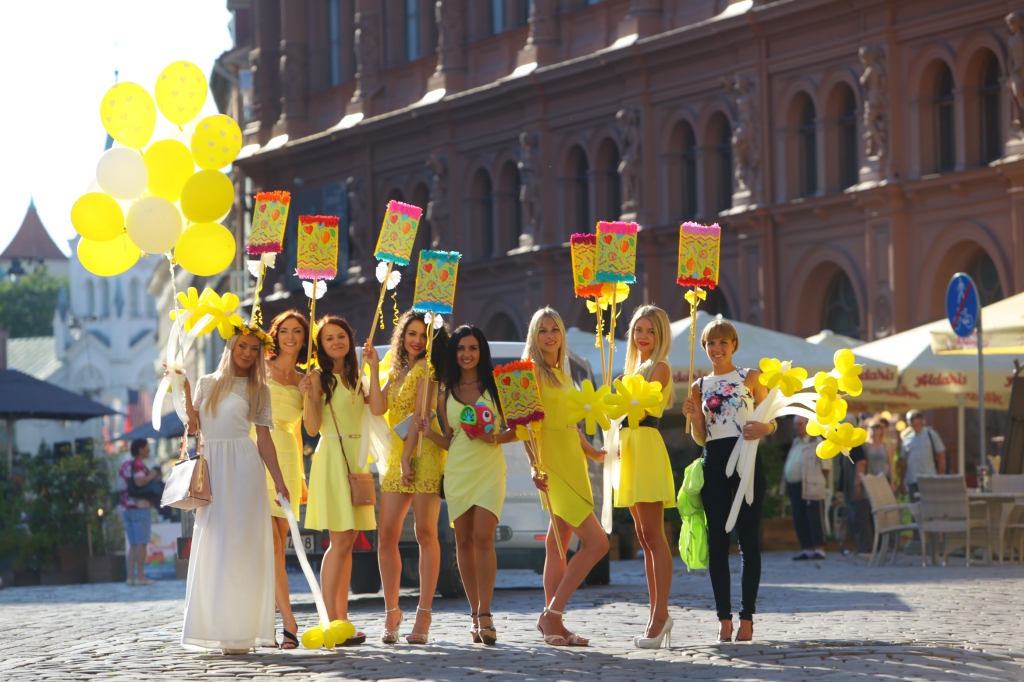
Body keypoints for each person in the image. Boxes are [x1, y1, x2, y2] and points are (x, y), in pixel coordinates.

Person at [179, 327, 290, 654]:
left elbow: (264, 440)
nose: (248, 353)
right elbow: (194, 427)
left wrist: (279, 481)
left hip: (244, 469)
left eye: (255, 349)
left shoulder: (259, 389)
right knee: (215, 546)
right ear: (230, 345)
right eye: (243, 346)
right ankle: (217, 628)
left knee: (242, 548)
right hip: (212, 469)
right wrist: (184, 389)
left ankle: (242, 633)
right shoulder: (206, 383)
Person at [416, 325, 517, 645]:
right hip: (458, 471)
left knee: (484, 538)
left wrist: (495, 438)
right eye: (461, 348)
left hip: (490, 470)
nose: (466, 354)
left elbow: (519, 428)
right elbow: (451, 440)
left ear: (481, 351)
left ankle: (486, 613)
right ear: (454, 353)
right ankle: (475, 614)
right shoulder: (445, 395)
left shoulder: (498, 386)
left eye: (473, 348)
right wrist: (429, 434)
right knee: (463, 542)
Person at [682, 319, 773, 644]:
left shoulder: (751, 377)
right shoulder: (698, 386)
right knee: (718, 544)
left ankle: (747, 618)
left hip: (747, 461)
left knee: (748, 542)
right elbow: (701, 438)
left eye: (723, 342)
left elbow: (771, 417)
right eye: (711, 343)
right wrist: (695, 418)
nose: (717, 349)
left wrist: (766, 428)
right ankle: (723, 619)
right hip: (714, 463)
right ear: (704, 347)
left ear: (734, 344)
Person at [524, 307, 609, 648]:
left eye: (555, 329)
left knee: (557, 544)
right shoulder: (530, 371)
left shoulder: (563, 372)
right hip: (554, 466)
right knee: (598, 543)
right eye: (543, 330)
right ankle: (552, 614)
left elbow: (571, 424)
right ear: (534, 335)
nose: (550, 336)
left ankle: (555, 624)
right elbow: (524, 423)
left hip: (574, 462)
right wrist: (534, 465)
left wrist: (593, 452)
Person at [364, 310, 449, 645]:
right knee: (386, 536)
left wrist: (406, 457)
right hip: (397, 456)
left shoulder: (429, 369)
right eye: (411, 334)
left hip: (424, 451)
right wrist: (374, 368)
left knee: (425, 533)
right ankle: (392, 612)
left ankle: (423, 614)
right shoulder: (397, 369)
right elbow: (377, 407)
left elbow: (421, 416)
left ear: (431, 339)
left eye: (423, 335)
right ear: (402, 337)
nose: (417, 340)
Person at [301, 316, 376, 647]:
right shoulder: (319, 377)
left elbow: (378, 410)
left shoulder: (357, 376)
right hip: (333, 457)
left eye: (341, 336)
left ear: (350, 339)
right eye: (329, 338)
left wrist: (374, 367)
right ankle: (330, 619)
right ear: (321, 345)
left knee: (350, 541)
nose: (336, 342)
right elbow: (311, 428)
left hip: (357, 459)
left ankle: (341, 620)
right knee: (340, 541)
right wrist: (308, 395)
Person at [614, 305, 675, 648]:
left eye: (650, 330)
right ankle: (656, 614)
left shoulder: (659, 367)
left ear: (660, 335)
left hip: (646, 447)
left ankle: (660, 615)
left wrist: (619, 389)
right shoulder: (633, 369)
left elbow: (641, 407)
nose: (643, 336)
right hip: (629, 449)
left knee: (654, 535)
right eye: (638, 329)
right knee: (644, 537)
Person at [258, 310, 309, 649]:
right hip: (259, 456)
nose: (290, 337)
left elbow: (304, 430)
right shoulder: (260, 368)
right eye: (284, 330)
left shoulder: (306, 378)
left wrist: (301, 478)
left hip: (289, 460)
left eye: (297, 331)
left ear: (304, 339)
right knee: (271, 544)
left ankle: (268, 620)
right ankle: (288, 621)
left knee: (279, 544)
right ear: (275, 335)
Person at [782, 416, 829, 561]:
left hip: (811, 486)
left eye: (800, 424)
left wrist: (816, 481)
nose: (797, 427)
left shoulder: (817, 442)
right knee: (799, 518)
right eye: (795, 424)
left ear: (808, 425)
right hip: (795, 486)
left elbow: (826, 468)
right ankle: (806, 549)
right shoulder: (796, 442)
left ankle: (819, 549)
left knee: (814, 517)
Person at [120, 438, 159, 586]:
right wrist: (152, 475)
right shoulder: (138, 464)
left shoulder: (124, 464)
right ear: (140, 449)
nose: (149, 450)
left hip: (126, 507)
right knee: (141, 543)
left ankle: (130, 577)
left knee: (133, 544)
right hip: (139, 507)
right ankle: (141, 577)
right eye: (147, 447)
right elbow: (139, 481)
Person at [900, 410, 947, 501]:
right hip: (912, 480)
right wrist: (902, 481)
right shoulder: (906, 439)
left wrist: (940, 477)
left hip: (929, 479)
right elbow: (903, 462)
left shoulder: (931, 435)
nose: (910, 421)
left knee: (930, 506)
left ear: (920, 419)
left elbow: (942, 456)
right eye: (908, 419)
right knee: (915, 508)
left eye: (912, 418)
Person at [866, 419, 896, 491]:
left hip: (884, 477)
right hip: (871, 478)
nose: (874, 429)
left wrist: (892, 482)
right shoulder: (867, 445)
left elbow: (891, 464)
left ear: (881, 430)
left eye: (877, 427)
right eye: (872, 427)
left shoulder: (886, 446)